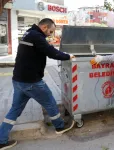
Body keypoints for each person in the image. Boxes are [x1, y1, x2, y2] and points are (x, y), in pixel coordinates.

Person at [0, 18, 75, 150]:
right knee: (50, 102)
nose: (50, 34)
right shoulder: (36, 36)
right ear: (45, 27)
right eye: (50, 31)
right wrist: (68, 56)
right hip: (31, 81)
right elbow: (52, 52)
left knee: (15, 109)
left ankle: (1, 140)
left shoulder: (29, 33)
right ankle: (59, 126)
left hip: (18, 80)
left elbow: (41, 50)